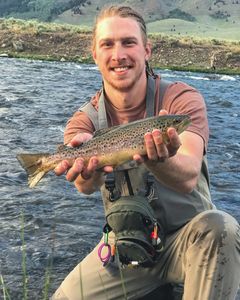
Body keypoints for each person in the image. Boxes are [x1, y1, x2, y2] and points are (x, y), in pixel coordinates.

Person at [52, 5, 240, 300]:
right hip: (127, 246)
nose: (119, 55)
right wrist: (87, 169)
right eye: (107, 44)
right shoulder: (84, 119)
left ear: (146, 50)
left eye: (129, 42)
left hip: (189, 243)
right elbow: (85, 186)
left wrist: (159, 161)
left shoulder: (181, 100)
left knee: (222, 228)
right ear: (94, 54)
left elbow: (189, 175)